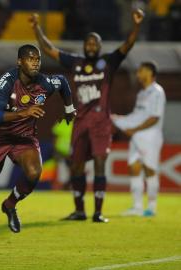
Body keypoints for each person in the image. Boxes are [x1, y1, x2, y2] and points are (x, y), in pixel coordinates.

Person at [0, 44, 76, 250]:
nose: (35, 62)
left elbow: (63, 82)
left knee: (35, 172)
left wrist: (69, 109)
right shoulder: (7, 81)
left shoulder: (45, 83)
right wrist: (23, 113)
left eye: (37, 59)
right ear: (19, 62)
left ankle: (9, 204)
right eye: (30, 58)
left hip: (24, 138)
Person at [30, 9, 144, 222]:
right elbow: (49, 50)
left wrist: (136, 25)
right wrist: (37, 27)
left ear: (100, 48)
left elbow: (127, 45)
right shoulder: (76, 63)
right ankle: (79, 210)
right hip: (81, 121)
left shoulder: (109, 62)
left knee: (100, 163)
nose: (91, 46)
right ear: (84, 46)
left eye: (94, 43)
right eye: (88, 43)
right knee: (76, 165)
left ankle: (98, 212)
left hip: (101, 122)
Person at [111, 62, 166, 217]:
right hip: (137, 136)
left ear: (150, 72)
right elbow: (137, 116)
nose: (137, 74)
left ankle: (152, 207)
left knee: (150, 169)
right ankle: (136, 207)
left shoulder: (157, 92)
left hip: (150, 136)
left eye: (141, 71)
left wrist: (133, 129)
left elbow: (154, 118)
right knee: (133, 168)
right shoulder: (141, 94)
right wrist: (119, 119)